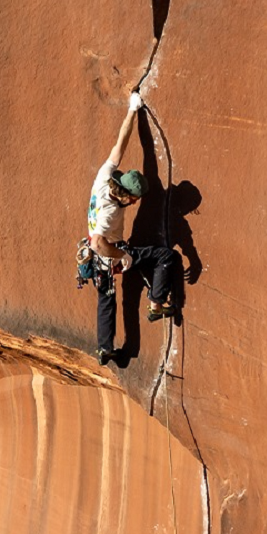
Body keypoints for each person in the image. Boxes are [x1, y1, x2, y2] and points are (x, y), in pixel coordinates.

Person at [87, 91, 180, 366]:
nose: (136, 203)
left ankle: (105, 348)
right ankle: (156, 305)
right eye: (135, 199)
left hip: (97, 258)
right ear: (126, 196)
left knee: (107, 301)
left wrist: (132, 110)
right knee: (166, 257)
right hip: (107, 253)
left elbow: (120, 143)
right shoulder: (111, 210)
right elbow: (98, 243)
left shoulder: (105, 176)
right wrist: (122, 256)